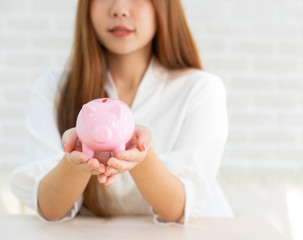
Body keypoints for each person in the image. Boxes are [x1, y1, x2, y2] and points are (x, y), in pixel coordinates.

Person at [10, 0, 234, 224]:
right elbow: (50, 209)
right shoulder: (52, 90)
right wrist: (76, 160)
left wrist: (140, 157)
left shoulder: (200, 89)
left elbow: (177, 210)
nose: (119, 9)